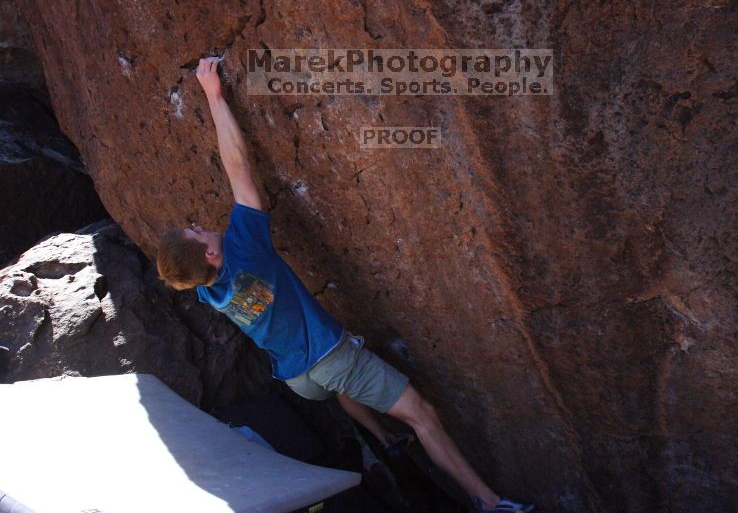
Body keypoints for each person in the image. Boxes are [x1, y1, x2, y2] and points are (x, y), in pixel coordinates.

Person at [156, 57, 534, 513]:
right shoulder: (245, 249)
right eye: (196, 232)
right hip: (331, 358)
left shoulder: (206, 290)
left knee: (341, 390)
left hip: (298, 378)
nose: (199, 225)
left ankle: (379, 438)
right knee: (423, 416)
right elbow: (238, 167)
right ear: (211, 254)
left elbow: (183, 267)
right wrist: (214, 95)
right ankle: (489, 503)